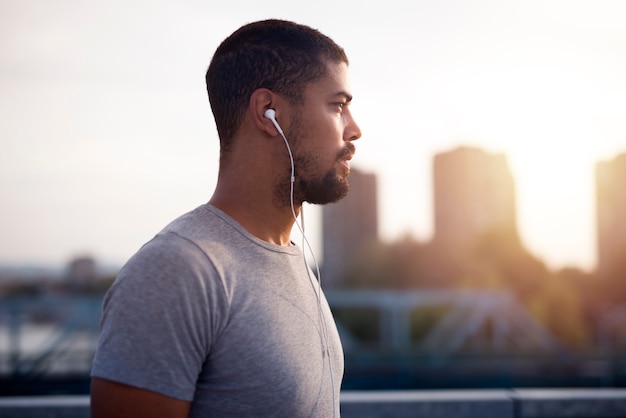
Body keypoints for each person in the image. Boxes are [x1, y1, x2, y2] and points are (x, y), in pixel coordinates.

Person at [90, 19, 362, 418]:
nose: (354, 130)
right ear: (269, 112)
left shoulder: (293, 257)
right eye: (338, 106)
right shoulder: (176, 271)